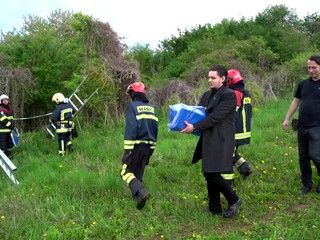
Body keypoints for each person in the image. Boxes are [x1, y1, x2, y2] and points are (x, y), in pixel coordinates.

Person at [181, 64, 242, 218]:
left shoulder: (229, 95)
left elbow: (215, 117)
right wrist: (184, 121)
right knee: (209, 173)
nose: (209, 80)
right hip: (208, 138)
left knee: (212, 174)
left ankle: (234, 199)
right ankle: (214, 209)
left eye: (213, 77)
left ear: (223, 78)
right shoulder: (207, 95)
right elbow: (198, 113)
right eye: (208, 77)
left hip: (221, 139)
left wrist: (194, 127)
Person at [282, 55, 320, 195]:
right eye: (308, 68)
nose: (310, 70)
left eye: (314, 67)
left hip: (318, 126)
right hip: (303, 125)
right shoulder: (303, 84)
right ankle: (307, 184)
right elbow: (296, 101)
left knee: (316, 155)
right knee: (303, 157)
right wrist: (287, 118)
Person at [120, 81, 158, 210]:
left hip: (136, 146)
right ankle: (138, 200)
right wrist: (152, 148)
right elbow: (155, 129)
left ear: (133, 93)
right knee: (138, 174)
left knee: (125, 172)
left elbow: (131, 128)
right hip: (148, 147)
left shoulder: (133, 106)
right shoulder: (152, 108)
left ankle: (141, 192)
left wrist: (128, 150)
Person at [226, 69, 253, 180]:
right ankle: (245, 170)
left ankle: (229, 181)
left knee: (227, 154)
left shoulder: (236, 93)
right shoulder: (245, 92)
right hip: (244, 130)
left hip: (235, 130)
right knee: (232, 152)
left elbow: (233, 112)